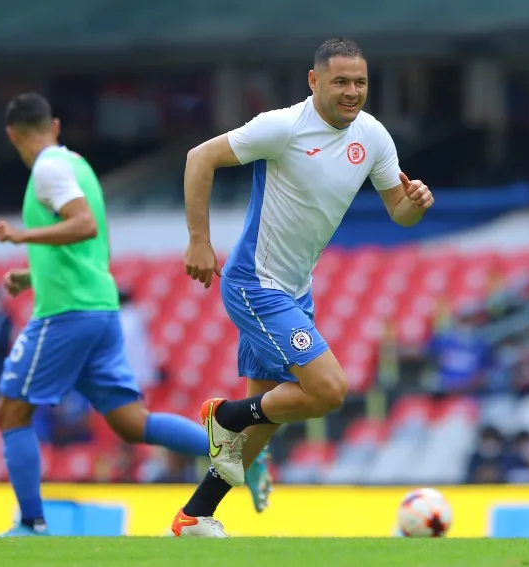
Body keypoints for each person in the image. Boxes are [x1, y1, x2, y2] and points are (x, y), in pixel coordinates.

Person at [173, 37, 434, 537]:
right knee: (329, 390)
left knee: (259, 430)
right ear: (314, 81)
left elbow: (398, 214)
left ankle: (194, 516)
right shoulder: (282, 127)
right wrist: (198, 241)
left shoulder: (374, 136)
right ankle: (224, 415)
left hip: (295, 290)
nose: (352, 91)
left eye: (359, 81)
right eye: (340, 81)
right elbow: (198, 158)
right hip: (255, 283)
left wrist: (414, 202)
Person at [0, 93, 270, 536]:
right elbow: (87, 249)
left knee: (11, 414)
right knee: (131, 423)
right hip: (98, 310)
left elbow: (84, 226)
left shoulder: (47, 168)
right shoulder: (78, 166)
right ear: (55, 126)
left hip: (66, 314)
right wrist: (32, 274)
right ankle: (238, 455)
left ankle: (30, 523)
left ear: (11, 135)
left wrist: (24, 236)